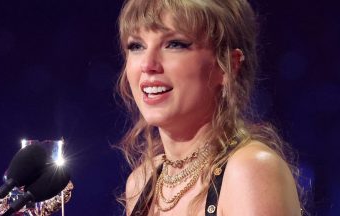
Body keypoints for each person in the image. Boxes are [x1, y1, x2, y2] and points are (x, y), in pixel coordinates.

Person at [116, 0, 302, 215]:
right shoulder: (142, 182)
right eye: (136, 46)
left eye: (175, 44)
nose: (147, 65)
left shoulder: (249, 171)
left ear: (228, 66)